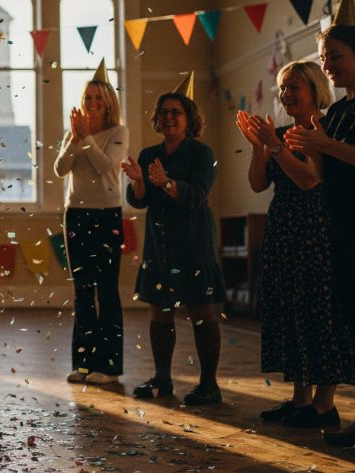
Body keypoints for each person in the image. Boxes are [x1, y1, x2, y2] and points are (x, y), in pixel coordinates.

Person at [239, 61, 354, 428]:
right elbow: (258, 184)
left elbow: (308, 180)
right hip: (284, 230)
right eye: (283, 89)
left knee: (319, 313)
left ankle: (324, 404)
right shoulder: (282, 133)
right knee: (290, 312)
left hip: (316, 231)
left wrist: (275, 146)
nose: (286, 95)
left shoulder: (323, 129)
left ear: (314, 90)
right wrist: (260, 147)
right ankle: (300, 398)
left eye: (294, 88)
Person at [120, 75, 226, 405]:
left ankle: (209, 384)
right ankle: (162, 379)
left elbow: (196, 194)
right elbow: (139, 200)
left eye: (175, 112)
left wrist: (166, 184)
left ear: (189, 119)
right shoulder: (150, 153)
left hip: (194, 242)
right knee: (160, 313)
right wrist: (139, 182)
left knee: (201, 314)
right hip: (160, 244)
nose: (168, 117)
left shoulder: (202, 153)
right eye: (164, 112)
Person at [284, 0, 355, 447]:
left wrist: (325, 145)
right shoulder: (341, 111)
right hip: (340, 228)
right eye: (325, 57)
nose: (327, 65)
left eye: (335, 57)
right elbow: (318, 177)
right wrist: (277, 147)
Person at [54, 61, 128, 385]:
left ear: (109, 102)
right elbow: (60, 168)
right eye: (88, 97)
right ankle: (82, 364)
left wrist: (86, 138)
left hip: (106, 213)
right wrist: (75, 138)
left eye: (99, 97)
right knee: (82, 290)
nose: (93, 102)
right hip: (76, 214)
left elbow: (106, 166)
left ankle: (108, 367)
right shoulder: (74, 134)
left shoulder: (118, 133)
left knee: (107, 290)